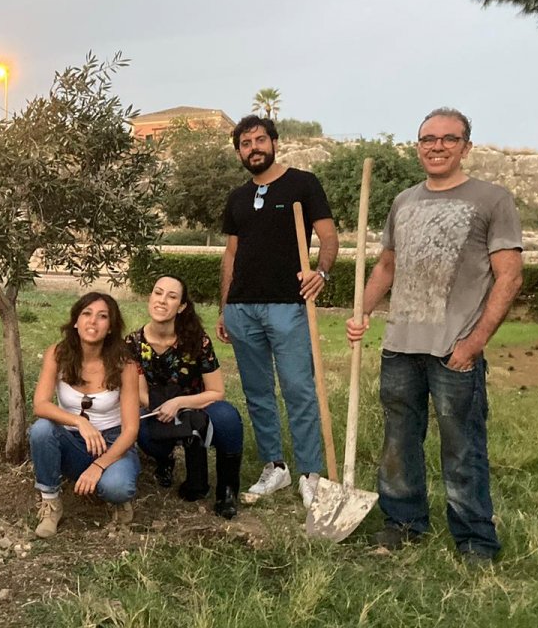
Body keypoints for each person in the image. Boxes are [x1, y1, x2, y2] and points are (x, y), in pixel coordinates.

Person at [347, 108, 522, 564]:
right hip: (400, 346)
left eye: (448, 139)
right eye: (428, 139)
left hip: (454, 348)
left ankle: (475, 539)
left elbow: (509, 277)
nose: (437, 146)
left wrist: (474, 343)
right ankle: (403, 521)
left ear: (466, 146)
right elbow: (386, 266)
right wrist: (361, 312)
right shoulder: (404, 201)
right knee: (398, 441)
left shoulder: (492, 199)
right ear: (418, 146)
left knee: (462, 446)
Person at [217, 114, 338, 507]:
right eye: (245, 144)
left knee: (298, 389)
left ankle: (310, 472)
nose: (253, 148)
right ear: (239, 152)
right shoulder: (237, 197)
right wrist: (224, 307)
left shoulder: (303, 184)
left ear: (274, 142)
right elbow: (231, 255)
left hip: (288, 304)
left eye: (259, 140)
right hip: (242, 309)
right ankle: (276, 467)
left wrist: (321, 273)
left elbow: (329, 237)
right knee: (257, 392)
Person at [126, 275, 243, 519]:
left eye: (171, 297)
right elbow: (140, 394)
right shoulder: (133, 343)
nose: (162, 300)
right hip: (156, 410)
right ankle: (165, 460)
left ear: (181, 307)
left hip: (196, 407)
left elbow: (216, 391)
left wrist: (178, 404)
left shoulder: (197, 340)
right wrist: (163, 409)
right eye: (158, 293)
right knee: (141, 429)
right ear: (149, 298)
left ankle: (227, 491)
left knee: (228, 418)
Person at [28, 292, 142, 539]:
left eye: (102, 316)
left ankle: (112, 493)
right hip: (72, 441)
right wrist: (79, 421)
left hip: (112, 443)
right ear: (76, 322)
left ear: (110, 327)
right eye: (86, 314)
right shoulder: (58, 354)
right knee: (41, 429)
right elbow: (40, 405)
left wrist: (99, 465)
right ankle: (51, 503)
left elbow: (131, 430)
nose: (93, 321)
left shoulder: (125, 365)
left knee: (117, 488)